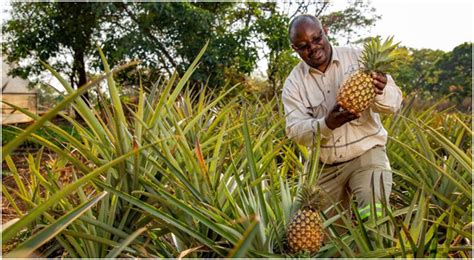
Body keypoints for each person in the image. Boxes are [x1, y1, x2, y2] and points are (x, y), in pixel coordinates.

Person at [282, 14, 403, 223]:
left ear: (326, 31)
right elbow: (294, 130)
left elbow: (395, 103)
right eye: (303, 46)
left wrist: (381, 89)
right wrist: (327, 124)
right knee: (326, 235)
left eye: (317, 38)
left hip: (367, 155)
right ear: (295, 49)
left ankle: (378, 249)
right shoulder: (294, 83)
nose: (313, 47)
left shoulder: (358, 58)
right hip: (324, 166)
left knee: (373, 214)